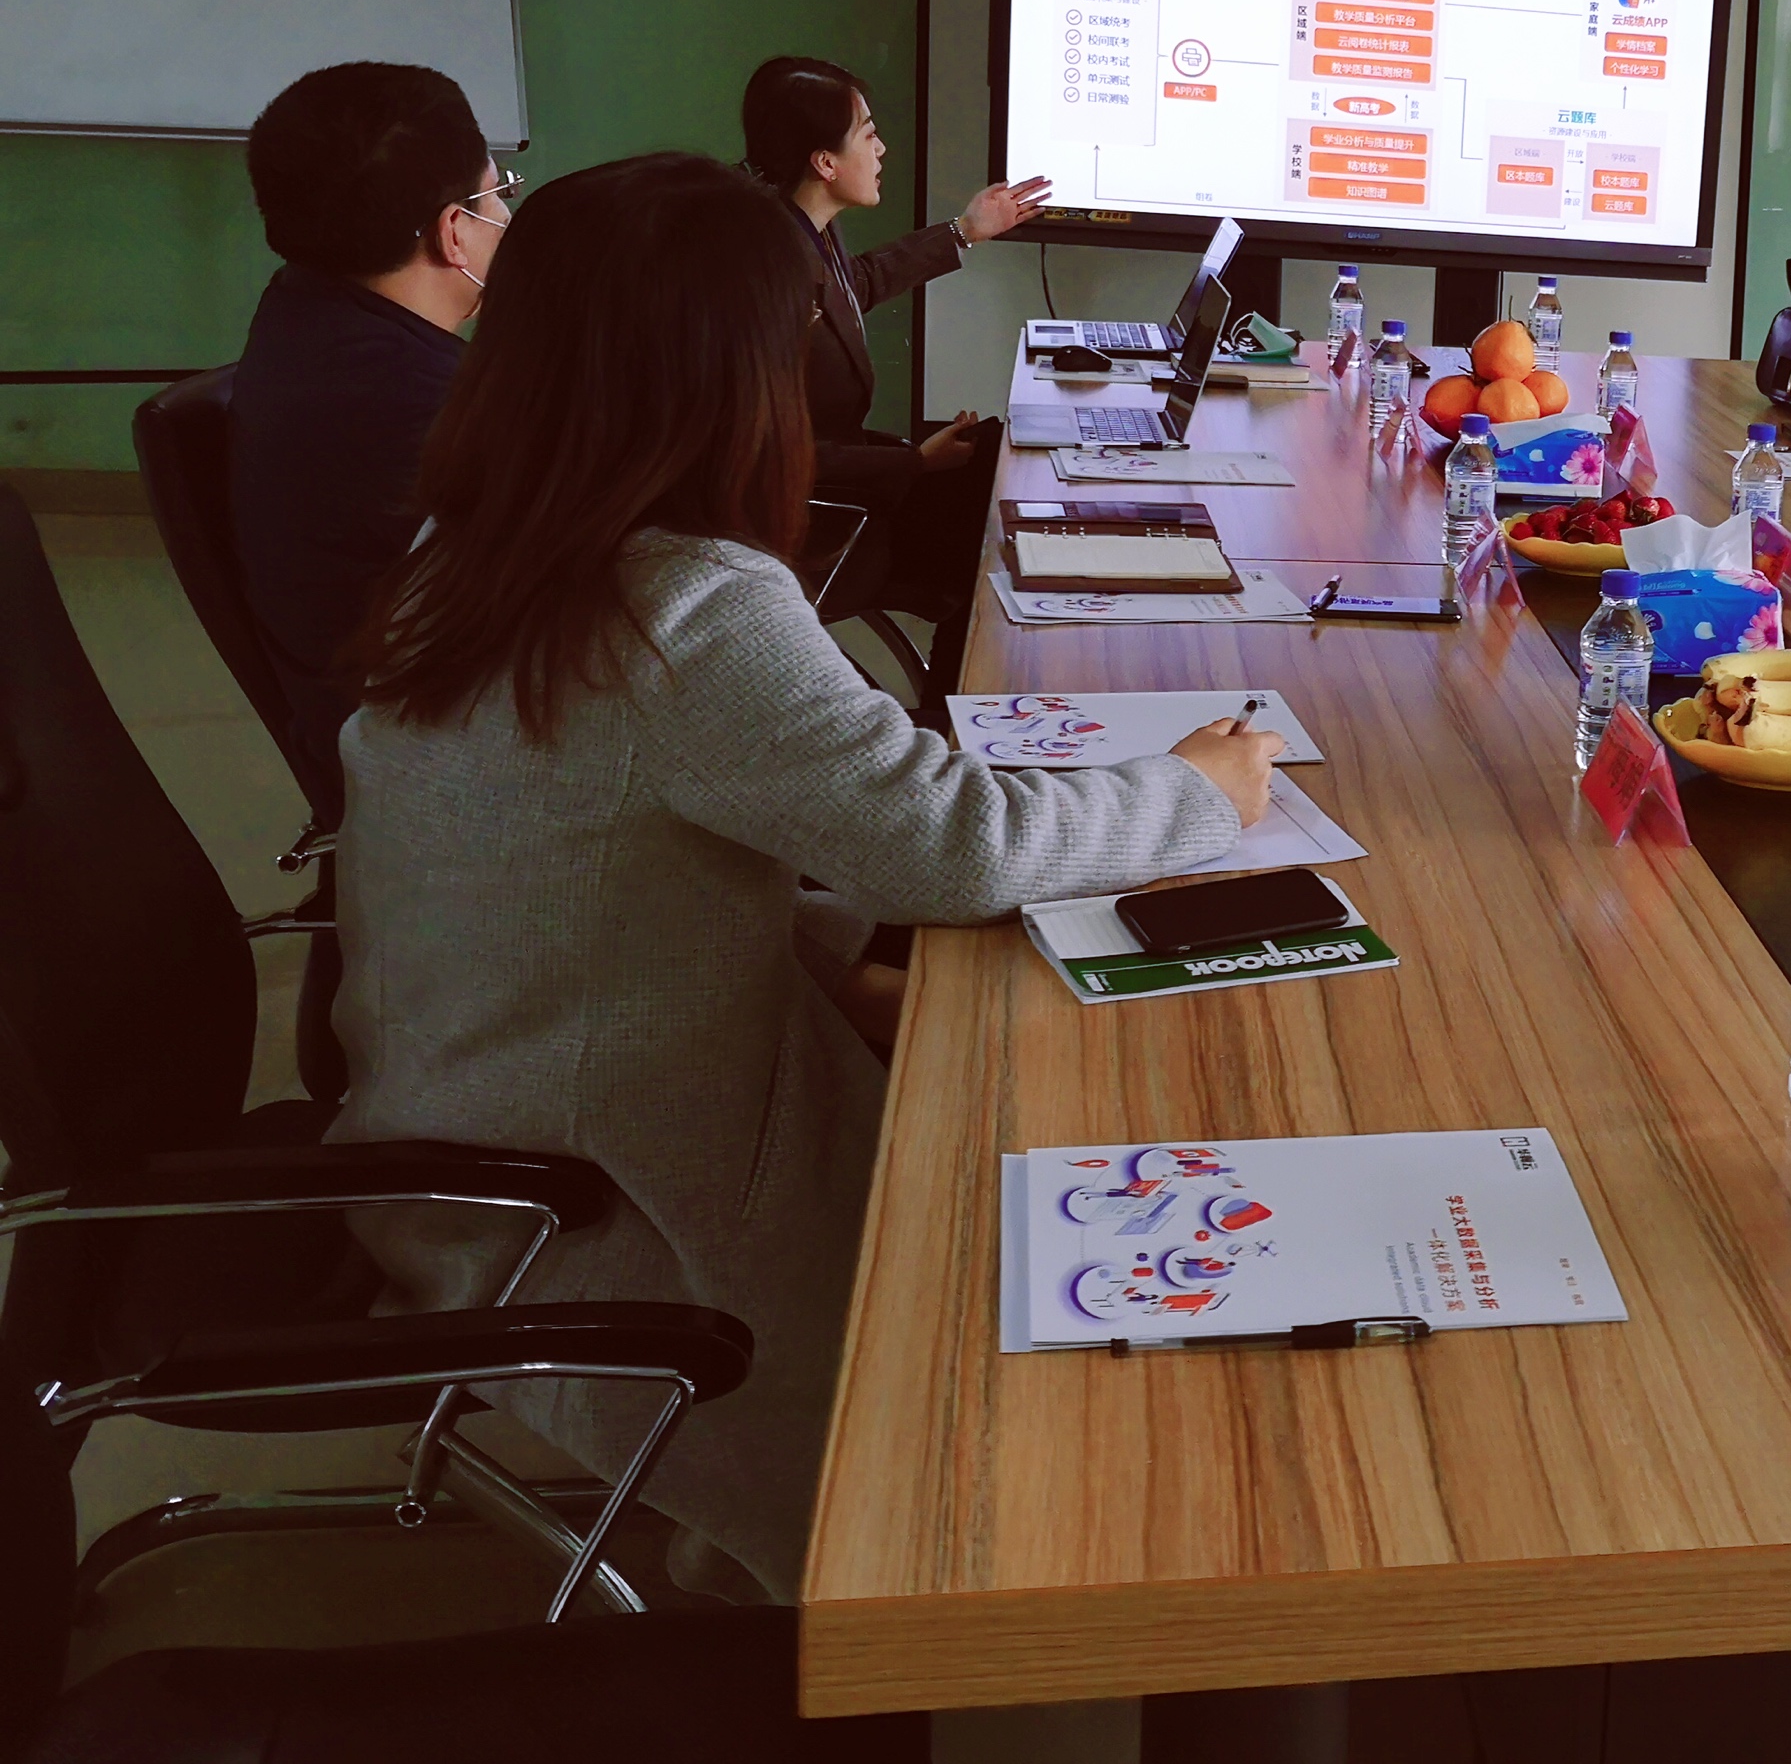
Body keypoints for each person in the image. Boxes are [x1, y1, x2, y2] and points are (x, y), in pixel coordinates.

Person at [332, 151, 1286, 1600]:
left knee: (1026, 1090)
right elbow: (954, 844)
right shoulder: (682, 605)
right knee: (1029, 1346)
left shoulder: (475, 541)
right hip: (592, 1200)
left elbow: (620, 850)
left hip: (466, 1107)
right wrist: (1201, 794)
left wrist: (844, 971)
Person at [228, 62, 514, 810]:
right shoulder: (421, 404)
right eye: (498, 194)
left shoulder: (304, 306)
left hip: (365, 707)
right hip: (437, 767)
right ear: (454, 231)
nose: (505, 217)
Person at [742, 56, 1048, 630]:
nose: (881, 149)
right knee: (983, 506)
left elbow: (854, 285)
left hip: (842, 482)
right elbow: (767, 451)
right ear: (825, 162)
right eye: (869, 134)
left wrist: (965, 230)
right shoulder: (768, 267)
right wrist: (913, 462)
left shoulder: (798, 227)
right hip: (816, 519)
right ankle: (971, 673)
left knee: (988, 451)